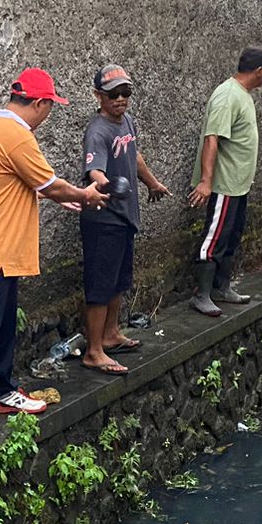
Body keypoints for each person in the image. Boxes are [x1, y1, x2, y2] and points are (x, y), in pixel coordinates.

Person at [0, 68, 106, 449]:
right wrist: (85, 196)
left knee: (1, 330)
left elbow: (29, 183)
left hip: (4, 253)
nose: (49, 114)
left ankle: (0, 392)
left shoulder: (0, 129)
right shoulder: (15, 135)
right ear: (40, 103)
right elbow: (49, 182)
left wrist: (64, 199)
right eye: (50, 106)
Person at [78, 65, 169, 376]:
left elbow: (135, 155)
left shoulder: (126, 121)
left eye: (125, 93)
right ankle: (93, 351)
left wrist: (152, 183)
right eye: (113, 94)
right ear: (98, 97)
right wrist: (106, 184)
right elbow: (94, 171)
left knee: (119, 280)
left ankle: (111, 333)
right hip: (104, 218)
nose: (121, 99)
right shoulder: (98, 131)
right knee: (101, 284)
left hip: (125, 217)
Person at [187, 47, 262, 317]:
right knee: (214, 239)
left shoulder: (243, 95)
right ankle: (202, 294)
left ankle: (222, 287)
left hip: (239, 184)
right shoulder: (227, 95)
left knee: (231, 236)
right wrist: (206, 181)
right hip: (223, 184)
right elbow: (213, 138)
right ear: (259, 71)